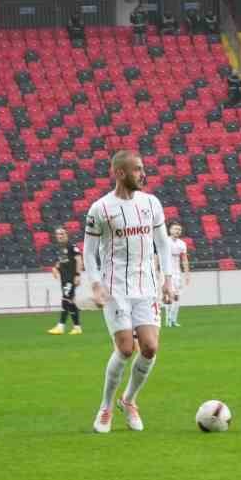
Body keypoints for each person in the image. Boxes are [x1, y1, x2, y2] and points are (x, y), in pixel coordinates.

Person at [82, 149, 177, 433]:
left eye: (142, 167)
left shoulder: (151, 203)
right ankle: (106, 407)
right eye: (137, 169)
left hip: (146, 286)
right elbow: (89, 252)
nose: (143, 173)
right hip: (115, 288)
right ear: (120, 173)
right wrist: (96, 285)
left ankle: (129, 400)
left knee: (149, 347)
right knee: (125, 348)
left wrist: (168, 279)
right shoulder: (100, 209)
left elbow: (163, 243)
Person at [47, 226, 84, 335]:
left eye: (62, 234)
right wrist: (55, 268)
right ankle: (77, 327)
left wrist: (77, 275)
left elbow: (79, 260)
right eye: (58, 234)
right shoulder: (61, 248)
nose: (60, 236)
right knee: (71, 302)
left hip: (70, 278)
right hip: (64, 278)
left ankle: (60, 326)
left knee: (65, 299)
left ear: (66, 234)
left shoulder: (72, 246)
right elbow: (62, 262)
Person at [164, 222, 190, 327]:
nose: (177, 231)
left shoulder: (182, 244)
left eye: (179, 229)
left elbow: (184, 259)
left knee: (177, 296)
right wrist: (156, 269)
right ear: (170, 230)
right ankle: (168, 319)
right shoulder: (165, 241)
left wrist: (187, 273)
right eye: (175, 229)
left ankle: (173, 320)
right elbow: (157, 255)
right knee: (169, 296)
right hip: (166, 272)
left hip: (177, 272)